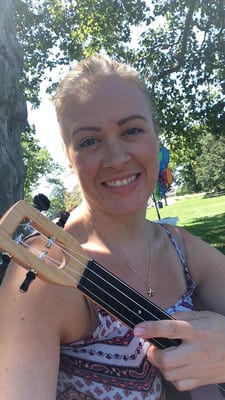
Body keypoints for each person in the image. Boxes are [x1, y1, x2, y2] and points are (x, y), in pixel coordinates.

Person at [0, 55, 225, 400]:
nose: (117, 157)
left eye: (132, 130)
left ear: (155, 136)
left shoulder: (180, 247)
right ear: (68, 156)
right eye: (89, 141)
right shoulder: (44, 272)